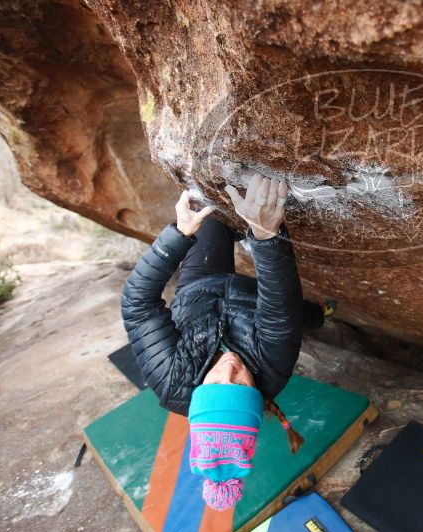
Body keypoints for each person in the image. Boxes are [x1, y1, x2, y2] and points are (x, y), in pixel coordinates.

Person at [120, 173, 330, 510]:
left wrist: (179, 235)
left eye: (218, 381)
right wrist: (264, 236)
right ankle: (322, 313)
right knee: (295, 315)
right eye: (242, 385)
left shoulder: (170, 379)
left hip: (200, 288)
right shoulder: (273, 369)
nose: (231, 369)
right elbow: (277, 308)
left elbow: (137, 305)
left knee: (211, 217)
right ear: (257, 397)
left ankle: (228, 233)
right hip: (254, 301)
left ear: (198, 394)